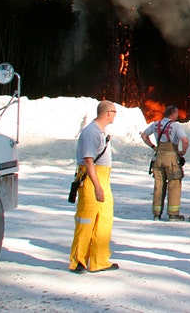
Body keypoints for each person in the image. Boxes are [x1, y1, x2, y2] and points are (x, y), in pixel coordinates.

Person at [69, 100, 119, 273]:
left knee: (104, 220)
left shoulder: (100, 131)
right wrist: (97, 186)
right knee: (86, 219)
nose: (115, 115)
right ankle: (78, 261)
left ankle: (99, 260)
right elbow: (88, 160)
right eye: (114, 112)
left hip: (102, 178)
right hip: (92, 179)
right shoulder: (91, 132)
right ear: (107, 113)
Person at [141, 105, 190, 220]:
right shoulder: (175, 126)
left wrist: (153, 146)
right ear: (173, 114)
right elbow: (185, 141)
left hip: (159, 158)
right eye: (177, 113)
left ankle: (157, 213)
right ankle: (173, 214)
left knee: (159, 185)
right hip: (172, 159)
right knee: (174, 185)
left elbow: (144, 136)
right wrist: (182, 151)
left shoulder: (156, 124)